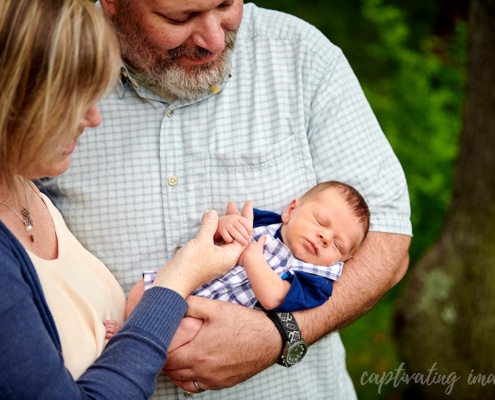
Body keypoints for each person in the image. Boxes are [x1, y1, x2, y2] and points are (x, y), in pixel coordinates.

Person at [45, 0, 412, 398]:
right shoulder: (49, 67)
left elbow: (389, 241)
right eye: (180, 18)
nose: (215, 39)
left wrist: (278, 336)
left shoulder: (301, 55)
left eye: (225, 5)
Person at [0, 0, 245, 398]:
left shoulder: (27, 187)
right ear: (11, 99)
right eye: (73, 99)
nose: (95, 118)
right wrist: (177, 281)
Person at [126, 180, 370, 322]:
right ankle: (126, 329)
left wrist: (253, 259)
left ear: (345, 259)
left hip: (210, 316)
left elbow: (275, 297)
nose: (325, 237)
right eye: (319, 221)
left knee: (185, 333)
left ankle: (135, 345)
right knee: (141, 290)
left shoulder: (316, 280)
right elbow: (213, 238)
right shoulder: (263, 222)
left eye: (338, 245)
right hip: (190, 281)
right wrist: (224, 225)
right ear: (291, 210)